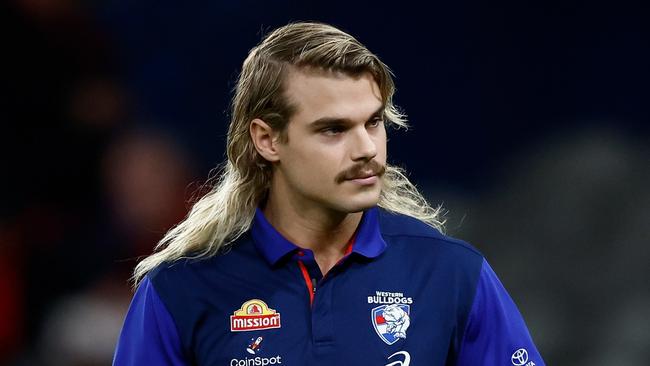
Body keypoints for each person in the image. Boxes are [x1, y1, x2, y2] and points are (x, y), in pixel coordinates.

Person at [113, 21, 545, 366]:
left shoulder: (452, 275)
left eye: (373, 122)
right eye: (333, 129)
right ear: (267, 140)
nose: (366, 150)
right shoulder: (179, 290)